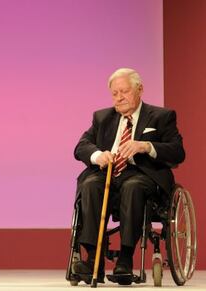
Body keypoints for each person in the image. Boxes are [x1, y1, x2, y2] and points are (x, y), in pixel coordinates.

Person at [72, 68, 185, 284]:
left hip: (142, 174)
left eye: (124, 91)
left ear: (139, 90)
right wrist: (98, 155)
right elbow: (82, 146)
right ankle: (92, 258)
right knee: (89, 185)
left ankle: (125, 258)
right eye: (114, 93)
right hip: (108, 173)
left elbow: (178, 151)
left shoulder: (161, 116)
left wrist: (146, 146)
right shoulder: (102, 117)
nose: (119, 97)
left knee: (132, 187)